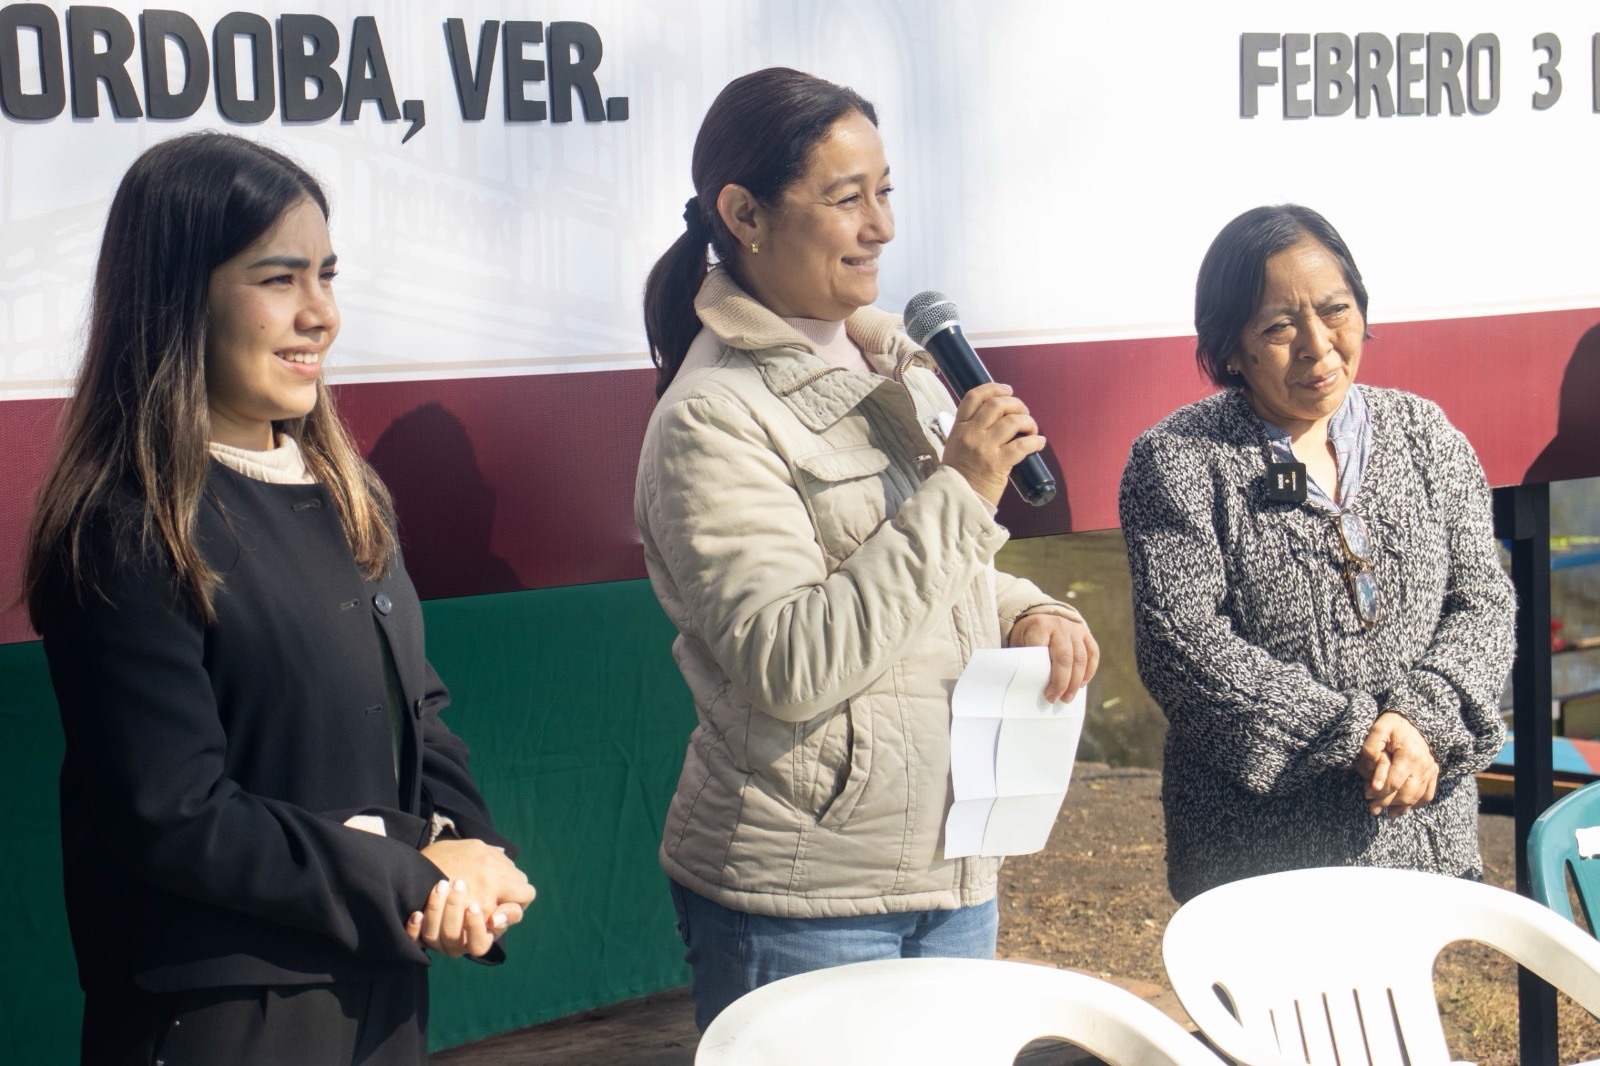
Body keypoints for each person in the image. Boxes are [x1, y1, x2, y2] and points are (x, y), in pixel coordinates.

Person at [23, 132, 536, 1065]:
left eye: (327, 276)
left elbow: (416, 707)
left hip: (380, 991)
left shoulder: (348, 491)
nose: (320, 314)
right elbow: (176, 817)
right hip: (226, 1015)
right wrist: (415, 874)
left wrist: (471, 858)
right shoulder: (125, 527)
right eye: (278, 279)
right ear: (179, 297)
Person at [635, 67, 1099, 1029]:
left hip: (951, 858)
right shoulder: (711, 417)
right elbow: (792, 660)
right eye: (848, 199)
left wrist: (1023, 608)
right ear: (745, 215)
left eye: (885, 191)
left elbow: (926, 573)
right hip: (805, 895)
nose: (881, 226)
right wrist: (963, 486)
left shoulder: (900, 359)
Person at [1118, 204, 1515, 903]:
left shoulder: (1424, 433)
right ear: (1230, 346)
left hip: (1419, 835)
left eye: (1335, 310)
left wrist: (1420, 719)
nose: (1316, 344)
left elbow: (1482, 599)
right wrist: (1354, 733)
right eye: (1277, 326)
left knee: (1406, 1018)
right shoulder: (1179, 459)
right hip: (1259, 864)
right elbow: (1182, 646)